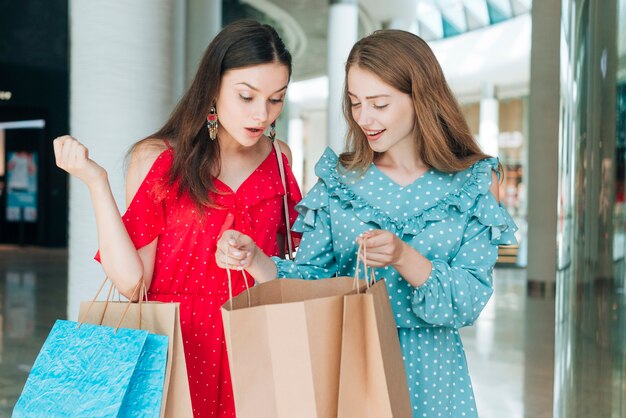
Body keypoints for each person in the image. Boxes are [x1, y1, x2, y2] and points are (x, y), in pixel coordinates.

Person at [215, 29, 517, 418]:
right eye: (356, 103)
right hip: (350, 365)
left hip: (434, 375)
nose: (364, 119)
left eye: (378, 104)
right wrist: (257, 260)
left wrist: (404, 256)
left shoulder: (473, 181)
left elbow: (470, 298)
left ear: (420, 98)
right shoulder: (339, 181)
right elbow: (314, 281)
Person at [53, 20, 302, 418]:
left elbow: (296, 270)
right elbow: (134, 285)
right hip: (177, 345)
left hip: (258, 342)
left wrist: (254, 258)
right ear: (213, 89)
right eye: (247, 96)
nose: (262, 114)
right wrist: (96, 183)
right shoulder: (159, 156)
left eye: (276, 99)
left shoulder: (279, 158)